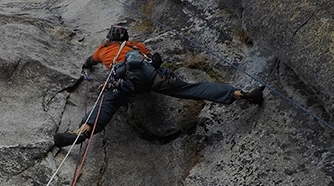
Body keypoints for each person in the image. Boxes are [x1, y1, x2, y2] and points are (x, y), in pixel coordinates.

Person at [54, 24, 264, 147]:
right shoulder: (137, 46)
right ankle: (241, 94)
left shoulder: (102, 51)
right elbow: (148, 58)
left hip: (125, 83)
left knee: (106, 104)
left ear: (109, 39)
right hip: (152, 77)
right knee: (190, 90)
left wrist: (85, 66)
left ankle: (82, 132)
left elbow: (89, 61)